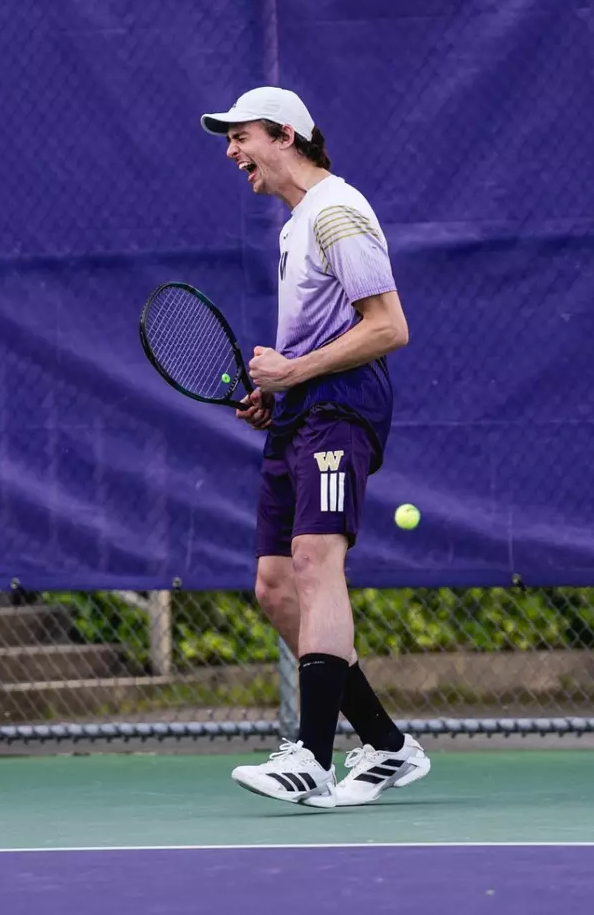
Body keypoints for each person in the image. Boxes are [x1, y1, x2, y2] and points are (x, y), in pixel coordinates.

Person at [199, 86, 431, 809]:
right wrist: (279, 389)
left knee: (312, 562)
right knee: (274, 586)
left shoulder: (337, 212)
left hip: (342, 408)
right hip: (302, 410)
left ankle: (313, 758)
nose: (231, 151)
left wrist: (295, 372)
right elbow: (318, 337)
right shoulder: (296, 225)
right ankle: (387, 745)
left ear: (285, 135)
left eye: (241, 136)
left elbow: (388, 327)